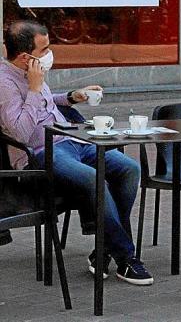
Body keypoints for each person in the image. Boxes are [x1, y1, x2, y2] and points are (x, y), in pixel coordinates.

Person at [0, 20, 153, 285]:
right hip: (41, 153)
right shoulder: (5, 84)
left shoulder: (31, 71)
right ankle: (126, 258)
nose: (49, 54)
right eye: (44, 49)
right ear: (26, 58)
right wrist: (35, 88)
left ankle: (104, 249)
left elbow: (47, 103)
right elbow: (20, 133)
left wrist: (71, 97)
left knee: (129, 168)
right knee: (94, 179)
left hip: (73, 140)